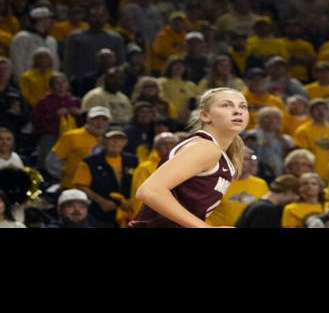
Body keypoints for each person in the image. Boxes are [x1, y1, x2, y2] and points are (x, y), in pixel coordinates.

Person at [129, 87, 249, 228]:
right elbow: (149, 191)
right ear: (205, 116)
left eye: (243, 106)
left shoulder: (217, 151)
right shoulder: (205, 147)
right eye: (226, 105)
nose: (237, 111)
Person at [70, 127, 136, 227]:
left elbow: (140, 182)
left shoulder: (133, 160)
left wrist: (133, 200)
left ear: (125, 142)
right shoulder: (89, 161)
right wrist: (102, 202)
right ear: (103, 141)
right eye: (111, 139)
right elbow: (81, 186)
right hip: (99, 214)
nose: (116, 142)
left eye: (120, 139)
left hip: (128, 213)